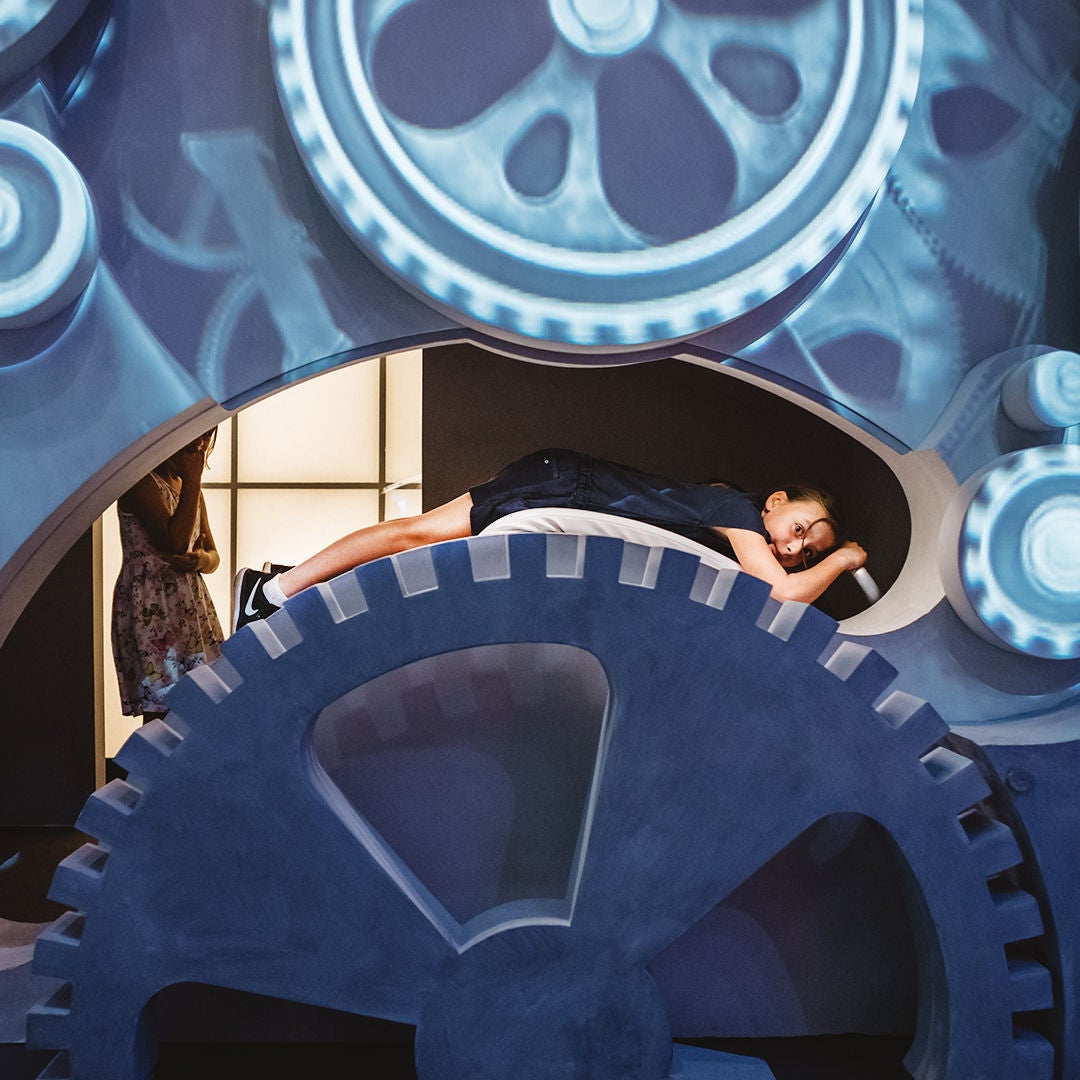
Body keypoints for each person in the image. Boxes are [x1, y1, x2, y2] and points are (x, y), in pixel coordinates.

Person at [232, 448, 867, 630]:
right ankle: (278, 591)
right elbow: (780, 595)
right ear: (776, 502)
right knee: (416, 540)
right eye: (800, 529)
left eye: (806, 550)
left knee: (412, 534)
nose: (794, 547)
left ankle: (276, 587)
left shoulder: (721, 509)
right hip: (570, 489)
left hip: (564, 474)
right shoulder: (740, 512)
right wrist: (841, 559)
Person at [111, 429, 224, 722]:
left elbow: (213, 554)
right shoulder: (140, 480)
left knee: (198, 705)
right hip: (151, 605)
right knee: (162, 710)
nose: (199, 445)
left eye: (206, 437)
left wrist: (202, 559)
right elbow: (174, 541)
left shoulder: (189, 490)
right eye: (194, 435)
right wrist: (194, 479)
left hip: (188, 604)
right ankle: (148, 768)